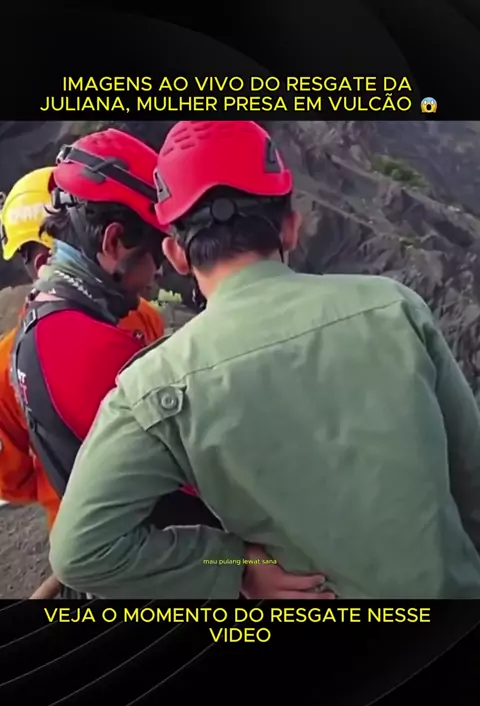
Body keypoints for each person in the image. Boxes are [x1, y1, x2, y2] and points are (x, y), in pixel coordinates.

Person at [50, 120, 480, 600]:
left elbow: (80, 553)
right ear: (291, 227)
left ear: (175, 254)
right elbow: (471, 473)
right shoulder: (394, 307)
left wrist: (234, 567)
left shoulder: (153, 386)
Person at [0, 163, 165, 597]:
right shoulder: (142, 317)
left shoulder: (10, 362)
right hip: (162, 532)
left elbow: (11, 480)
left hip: (86, 547)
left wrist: (59, 477)